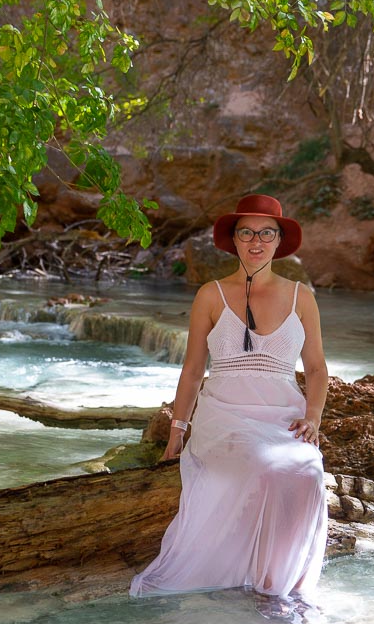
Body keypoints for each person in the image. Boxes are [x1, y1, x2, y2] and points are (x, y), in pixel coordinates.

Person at [130, 193, 329, 600]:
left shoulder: (301, 297)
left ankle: (278, 586)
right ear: (234, 240)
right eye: (247, 233)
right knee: (265, 466)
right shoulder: (210, 295)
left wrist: (313, 418)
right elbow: (191, 370)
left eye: (266, 233)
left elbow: (316, 369)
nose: (256, 241)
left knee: (307, 472)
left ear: (279, 241)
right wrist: (177, 431)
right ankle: (256, 581)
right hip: (224, 414)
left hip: (283, 417)